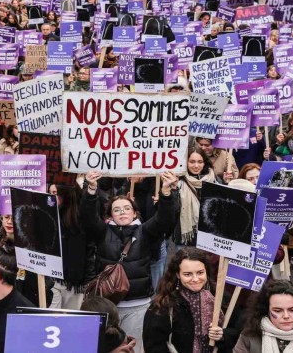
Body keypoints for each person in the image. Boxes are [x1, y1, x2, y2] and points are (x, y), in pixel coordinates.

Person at [81, 171, 178, 351]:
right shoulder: (103, 232)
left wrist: (166, 193)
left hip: (137, 305)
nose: (122, 212)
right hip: (108, 306)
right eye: (116, 209)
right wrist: (91, 189)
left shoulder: (145, 232)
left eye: (127, 208)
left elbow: (164, 220)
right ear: (110, 215)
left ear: (134, 213)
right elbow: (88, 218)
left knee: (134, 348)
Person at [142, 248, 224, 352]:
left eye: (200, 272)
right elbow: (153, 346)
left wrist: (222, 336)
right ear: (178, 275)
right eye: (187, 274)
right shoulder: (163, 306)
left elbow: (235, 332)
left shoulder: (218, 297)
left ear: (206, 271)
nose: (195, 279)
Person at [232, 280, 293, 353]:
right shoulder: (250, 336)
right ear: (266, 311)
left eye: (292, 310)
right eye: (277, 311)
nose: (286, 316)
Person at [176, 149, 217, 248]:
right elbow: (173, 209)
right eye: (192, 162)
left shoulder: (214, 180)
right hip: (185, 238)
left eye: (200, 162)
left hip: (208, 235)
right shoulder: (177, 181)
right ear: (185, 162)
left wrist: (226, 182)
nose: (196, 165)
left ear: (204, 163)